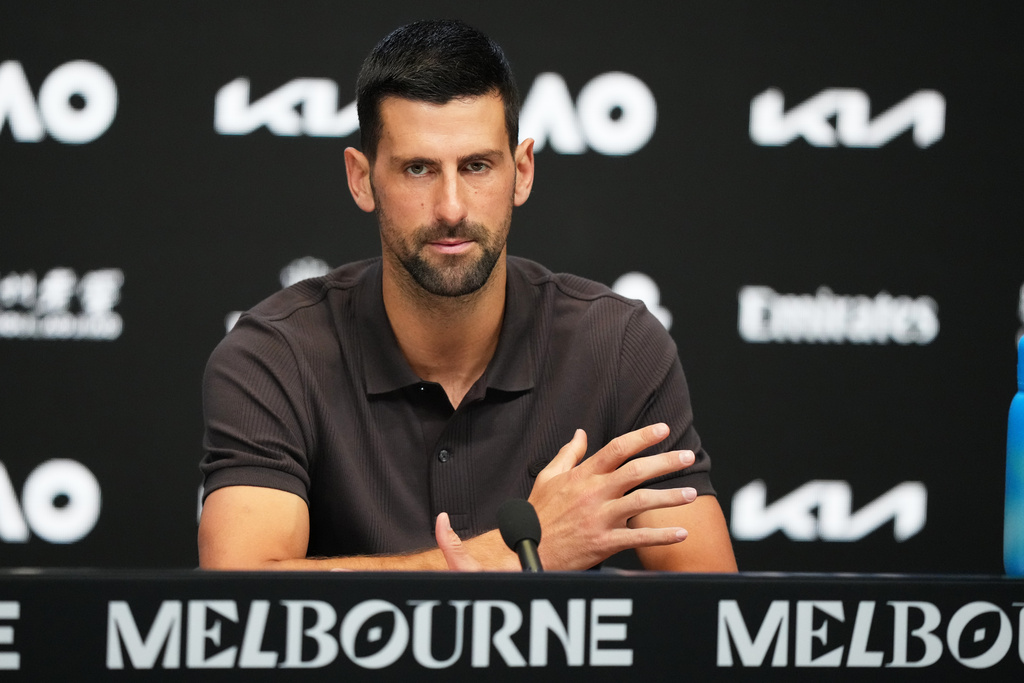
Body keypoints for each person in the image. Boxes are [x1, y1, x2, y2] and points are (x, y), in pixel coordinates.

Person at [198, 19, 736, 573]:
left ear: (521, 171)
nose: (451, 207)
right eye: (418, 169)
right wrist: (517, 553)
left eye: (477, 166)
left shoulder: (618, 346)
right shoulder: (275, 354)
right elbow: (240, 598)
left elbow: (712, 617)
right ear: (361, 179)